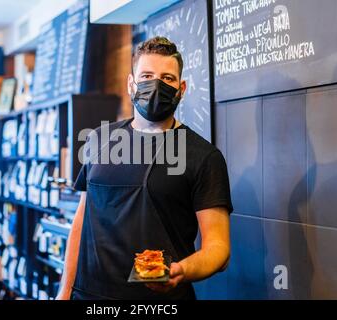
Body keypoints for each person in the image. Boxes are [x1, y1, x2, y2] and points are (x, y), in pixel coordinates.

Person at [57, 36, 233, 300]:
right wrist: (64, 291)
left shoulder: (203, 156)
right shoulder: (99, 140)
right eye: (147, 75)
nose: (156, 85)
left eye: (167, 79)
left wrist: (181, 271)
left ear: (181, 88)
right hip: (89, 296)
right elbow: (81, 223)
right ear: (131, 84)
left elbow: (219, 248)